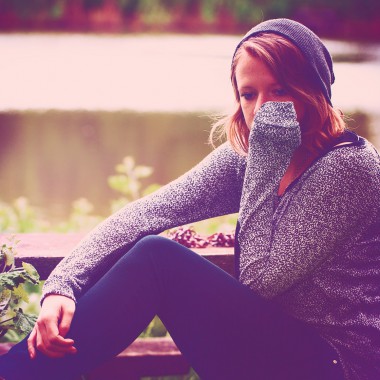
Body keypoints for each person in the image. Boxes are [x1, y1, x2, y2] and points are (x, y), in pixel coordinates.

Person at [1, 18, 379, 380]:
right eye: (249, 94)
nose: (262, 109)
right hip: (271, 349)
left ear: (313, 92)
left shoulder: (348, 169)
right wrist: (61, 286)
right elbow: (147, 213)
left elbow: (259, 282)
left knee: (158, 259)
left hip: (338, 365)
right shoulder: (249, 158)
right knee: (153, 254)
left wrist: (266, 154)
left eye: (279, 91)